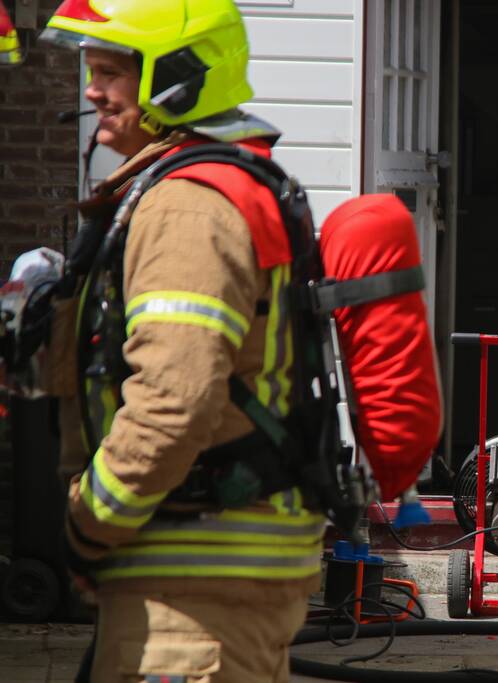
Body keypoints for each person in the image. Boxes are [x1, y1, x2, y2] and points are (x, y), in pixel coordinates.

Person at [40, 0, 324, 680]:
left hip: (195, 585)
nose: (92, 89)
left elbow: (173, 402)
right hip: (197, 573)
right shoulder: (195, 187)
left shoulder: (187, 205)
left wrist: (88, 525)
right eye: (92, 68)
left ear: (177, 79)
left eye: (111, 71)